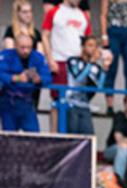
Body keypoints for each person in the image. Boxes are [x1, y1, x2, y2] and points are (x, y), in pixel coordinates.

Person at [41, 0, 90, 133]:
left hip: (78, 64)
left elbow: (88, 39)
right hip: (60, 61)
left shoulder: (83, 15)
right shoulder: (54, 11)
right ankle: (54, 136)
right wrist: (50, 59)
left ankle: (72, 138)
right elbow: (44, 35)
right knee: (57, 101)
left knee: (76, 102)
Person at [0, 34, 51, 132]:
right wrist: (16, 78)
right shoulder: (5, 55)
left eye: (29, 48)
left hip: (27, 103)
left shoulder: (38, 57)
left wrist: (39, 79)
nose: (26, 51)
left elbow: (47, 76)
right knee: (10, 137)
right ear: (15, 45)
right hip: (8, 102)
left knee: (34, 136)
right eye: (22, 48)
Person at [65, 35, 108, 135]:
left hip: (85, 105)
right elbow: (79, 78)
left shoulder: (95, 67)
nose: (93, 49)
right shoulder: (73, 60)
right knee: (72, 137)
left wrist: (105, 68)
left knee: (89, 137)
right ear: (82, 47)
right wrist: (91, 62)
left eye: (95, 46)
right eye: (90, 45)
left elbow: (100, 87)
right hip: (71, 104)